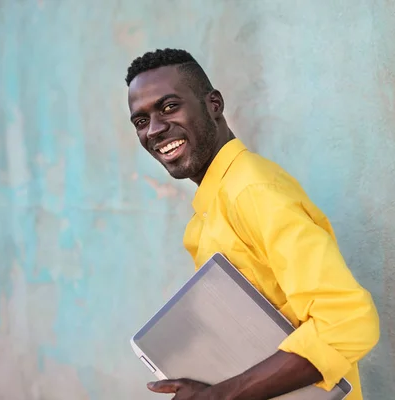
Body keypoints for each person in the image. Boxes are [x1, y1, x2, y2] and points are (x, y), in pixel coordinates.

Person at [125, 48, 380, 400]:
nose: (154, 129)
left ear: (214, 104)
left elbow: (348, 321)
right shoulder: (213, 208)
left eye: (169, 107)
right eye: (140, 121)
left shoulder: (253, 191)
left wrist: (223, 395)